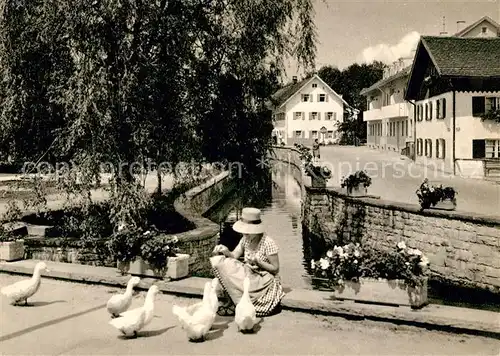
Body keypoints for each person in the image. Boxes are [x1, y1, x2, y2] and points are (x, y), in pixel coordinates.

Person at [211, 207, 285, 317]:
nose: (246, 233)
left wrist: (259, 262)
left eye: (249, 231)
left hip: (263, 279)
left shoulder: (268, 242)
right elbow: (234, 256)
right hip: (249, 275)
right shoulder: (245, 239)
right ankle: (237, 302)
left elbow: (275, 269)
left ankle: (239, 304)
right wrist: (226, 251)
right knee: (222, 263)